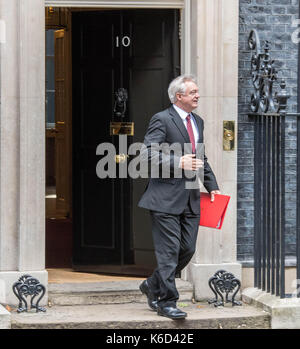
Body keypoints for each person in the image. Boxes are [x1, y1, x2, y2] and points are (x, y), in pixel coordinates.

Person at [138, 74, 220, 320]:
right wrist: (177, 161)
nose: (197, 95)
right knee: (169, 251)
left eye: (197, 91)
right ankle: (167, 302)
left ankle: (152, 285)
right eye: (192, 92)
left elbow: (200, 157)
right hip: (163, 198)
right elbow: (146, 155)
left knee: (187, 248)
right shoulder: (162, 120)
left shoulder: (199, 121)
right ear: (179, 96)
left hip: (190, 197)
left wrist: (211, 185)